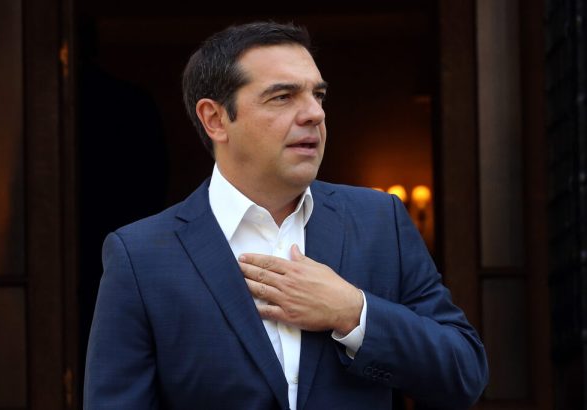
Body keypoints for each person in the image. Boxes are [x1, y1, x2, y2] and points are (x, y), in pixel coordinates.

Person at [84, 21, 488, 410]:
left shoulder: (380, 222)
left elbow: (464, 373)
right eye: (283, 97)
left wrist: (353, 312)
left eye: (318, 95)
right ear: (215, 119)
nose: (315, 114)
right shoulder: (141, 256)